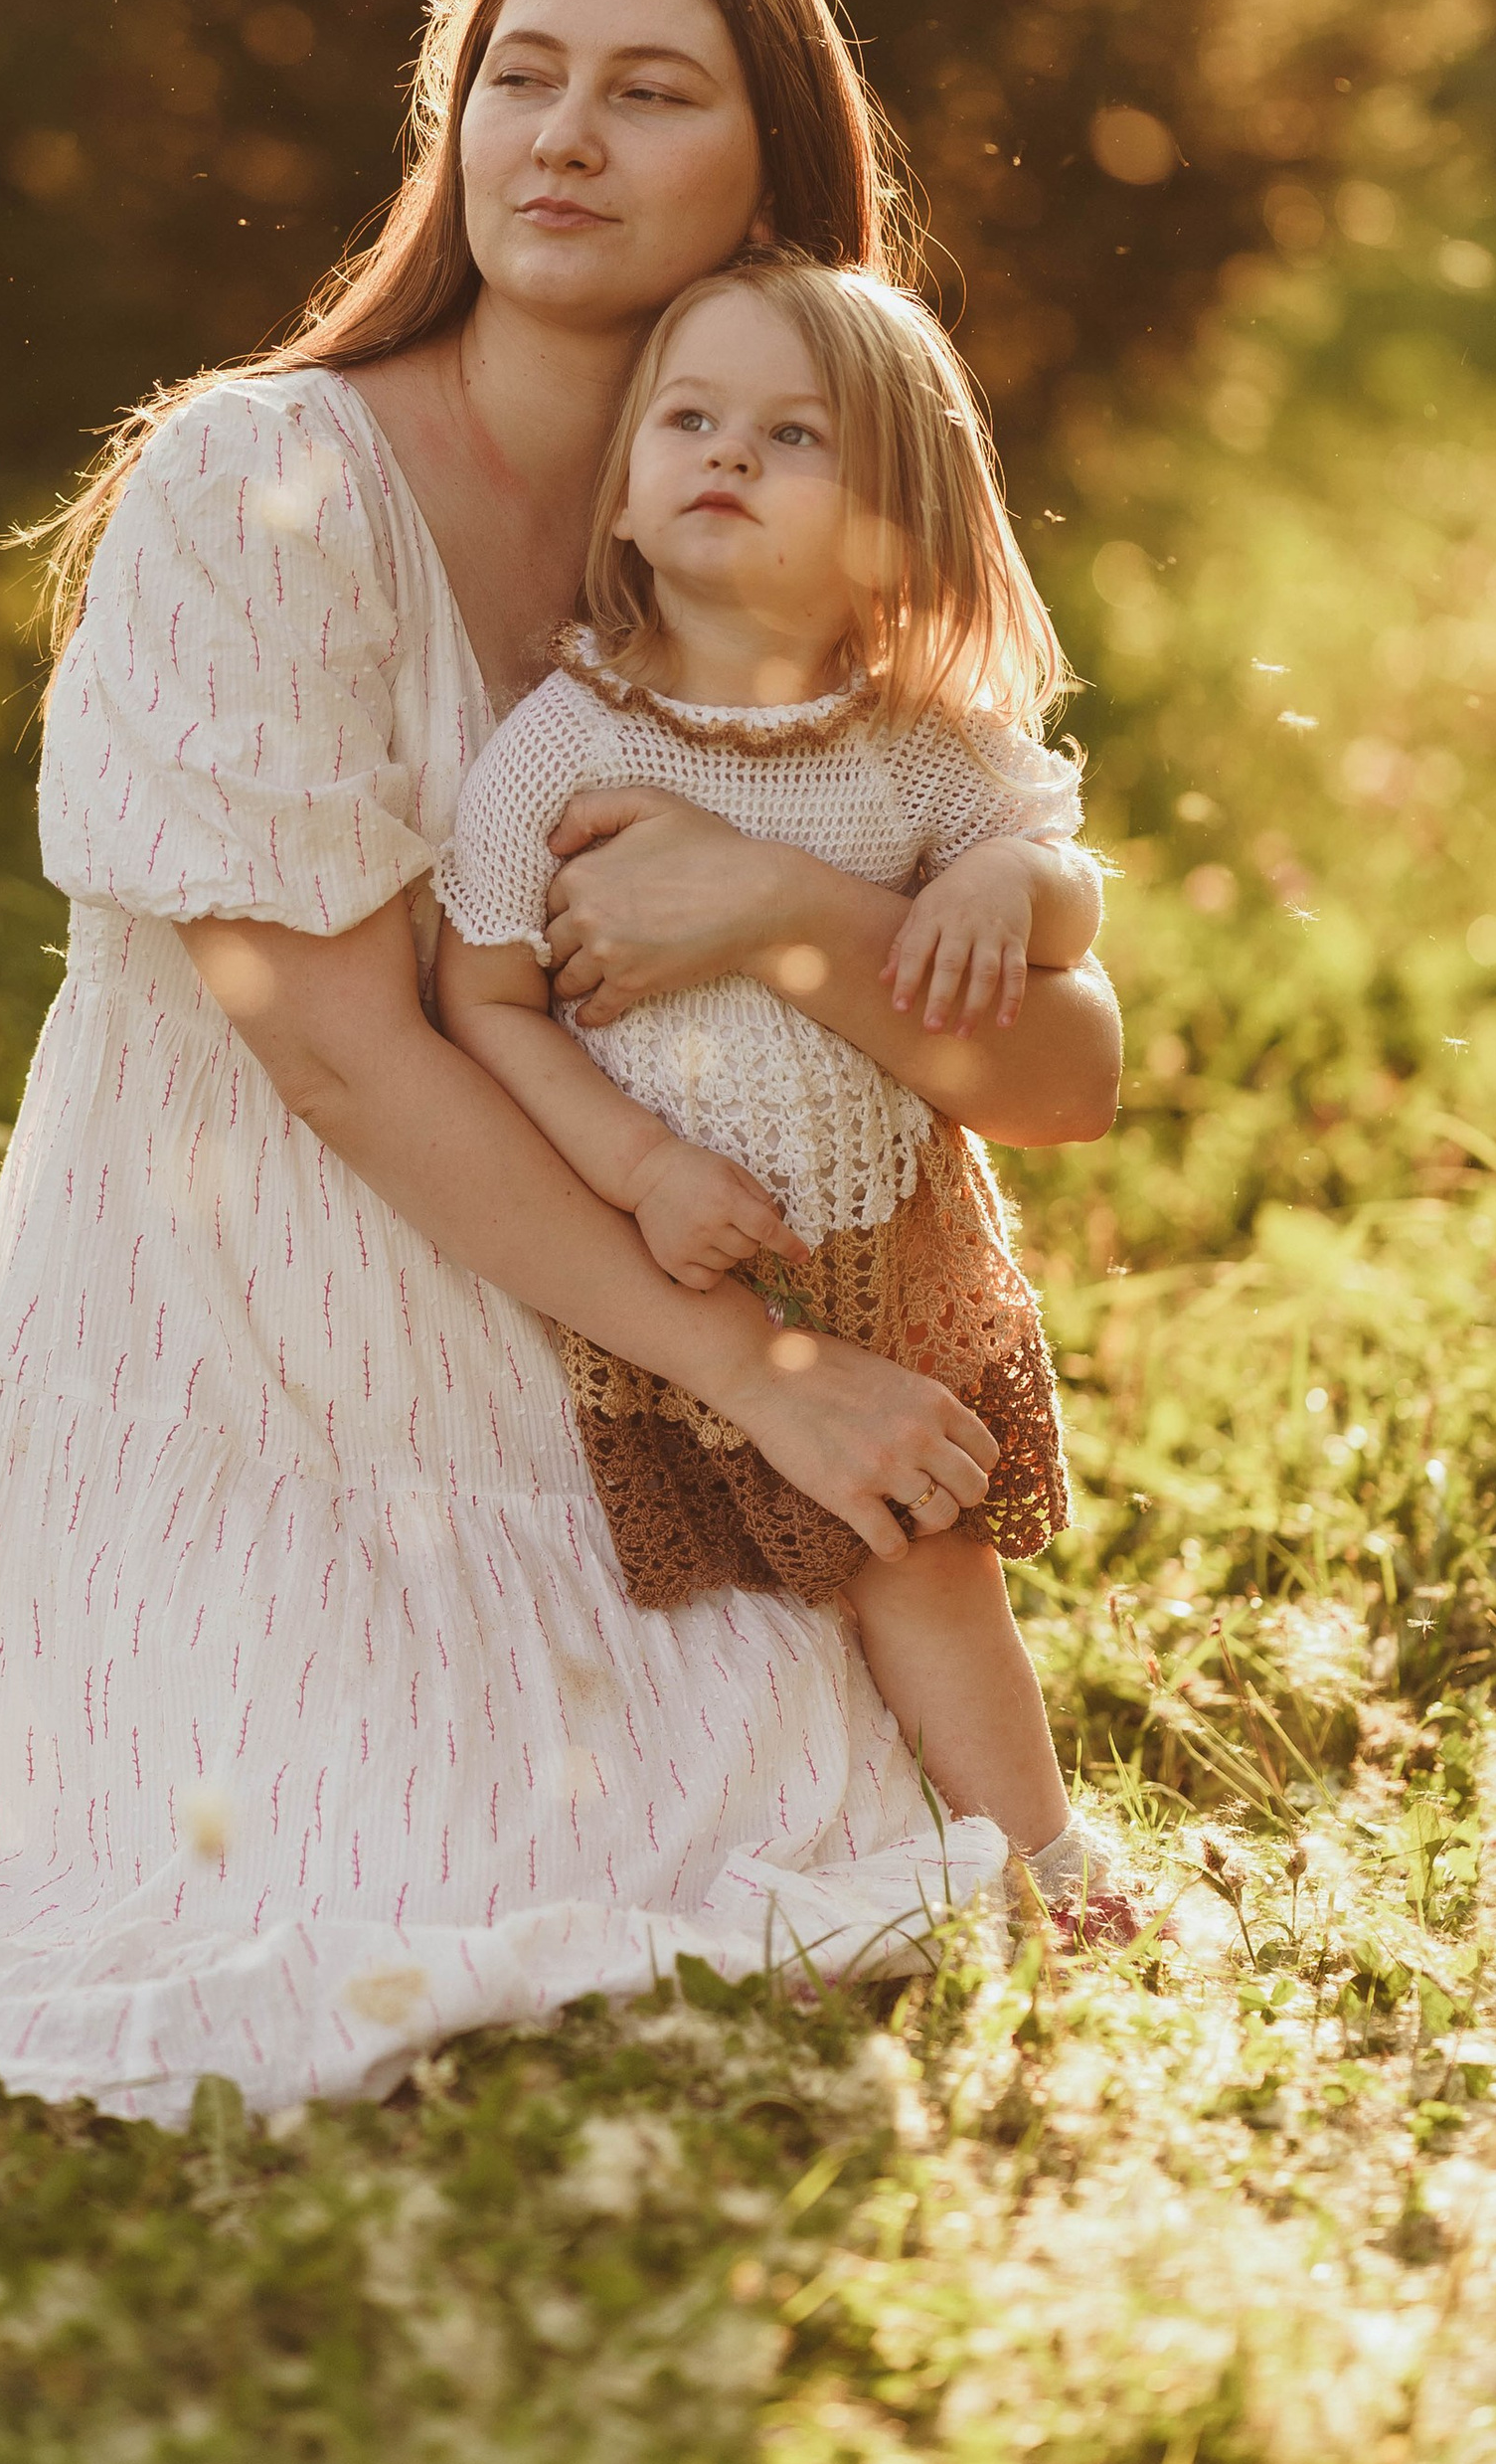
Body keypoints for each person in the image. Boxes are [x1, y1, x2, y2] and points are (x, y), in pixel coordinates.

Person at [0, 0, 1121, 2123]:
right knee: (379, 1862)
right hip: (275, 1303)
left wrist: (782, 908)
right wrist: (767, 1377)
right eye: (516, 78)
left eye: (649, 92)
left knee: (802, 1818)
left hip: (628, 1315)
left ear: (773, 171)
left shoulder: (778, 536)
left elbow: (1052, 1066)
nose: (560, 136)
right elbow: (348, 1058)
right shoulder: (253, 482)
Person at [434, 253, 1132, 1937]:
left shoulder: (919, 742)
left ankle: (1048, 1867)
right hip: (678, 1264)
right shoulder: (564, 743)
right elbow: (486, 1000)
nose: (729, 455)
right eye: (689, 420)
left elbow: (1061, 894)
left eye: (793, 436)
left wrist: (1007, 886)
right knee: (706, 1597)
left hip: (884, 1260)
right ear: (623, 490)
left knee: (921, 1551)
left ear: (899, 524)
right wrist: (638, 1164)